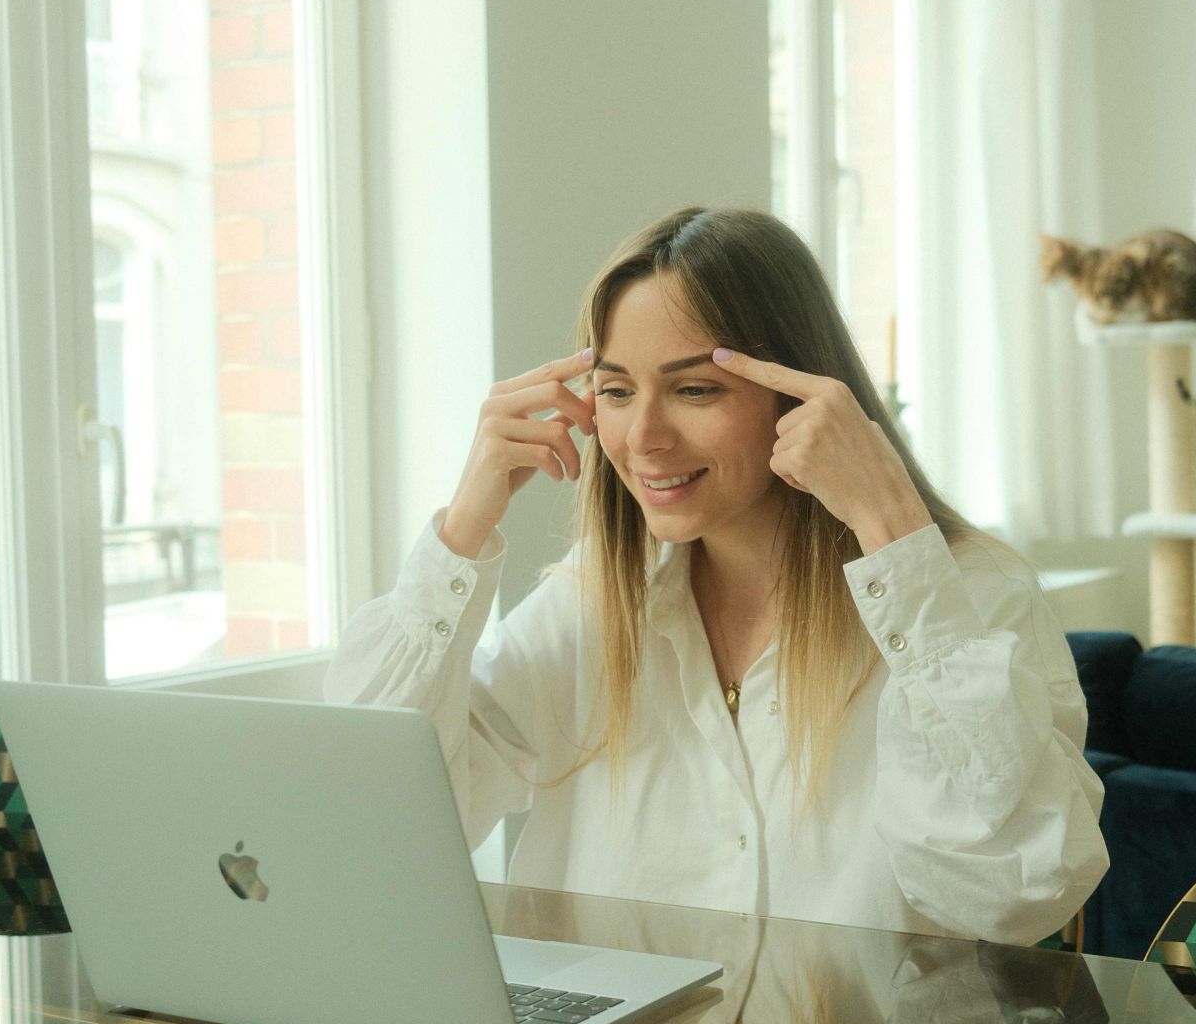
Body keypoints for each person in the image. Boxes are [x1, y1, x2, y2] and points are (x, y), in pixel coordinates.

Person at [324, 207, 1106, 945]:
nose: (644, 437)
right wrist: (463, 528)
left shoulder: (969, 594)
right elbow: (372, 826)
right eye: (618, 391)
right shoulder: (592, 603)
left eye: (695, 388)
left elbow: (1013, 893)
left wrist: (896, 540)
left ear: (802, 392)